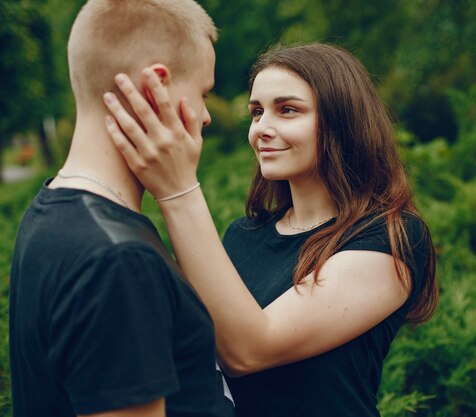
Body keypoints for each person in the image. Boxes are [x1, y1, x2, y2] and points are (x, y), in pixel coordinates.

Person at [103, 43, 438, 417]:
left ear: (343, 122)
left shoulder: (389, 237)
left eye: (287, 110)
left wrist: (178, 189)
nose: (261, 128)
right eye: (257, 112)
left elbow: (249, 350)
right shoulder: (242, 234)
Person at [9, 1, 235, 416]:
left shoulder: (52, 210)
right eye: (203, 93)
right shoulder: (117, 259)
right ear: (157, 86)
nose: (205, 117)